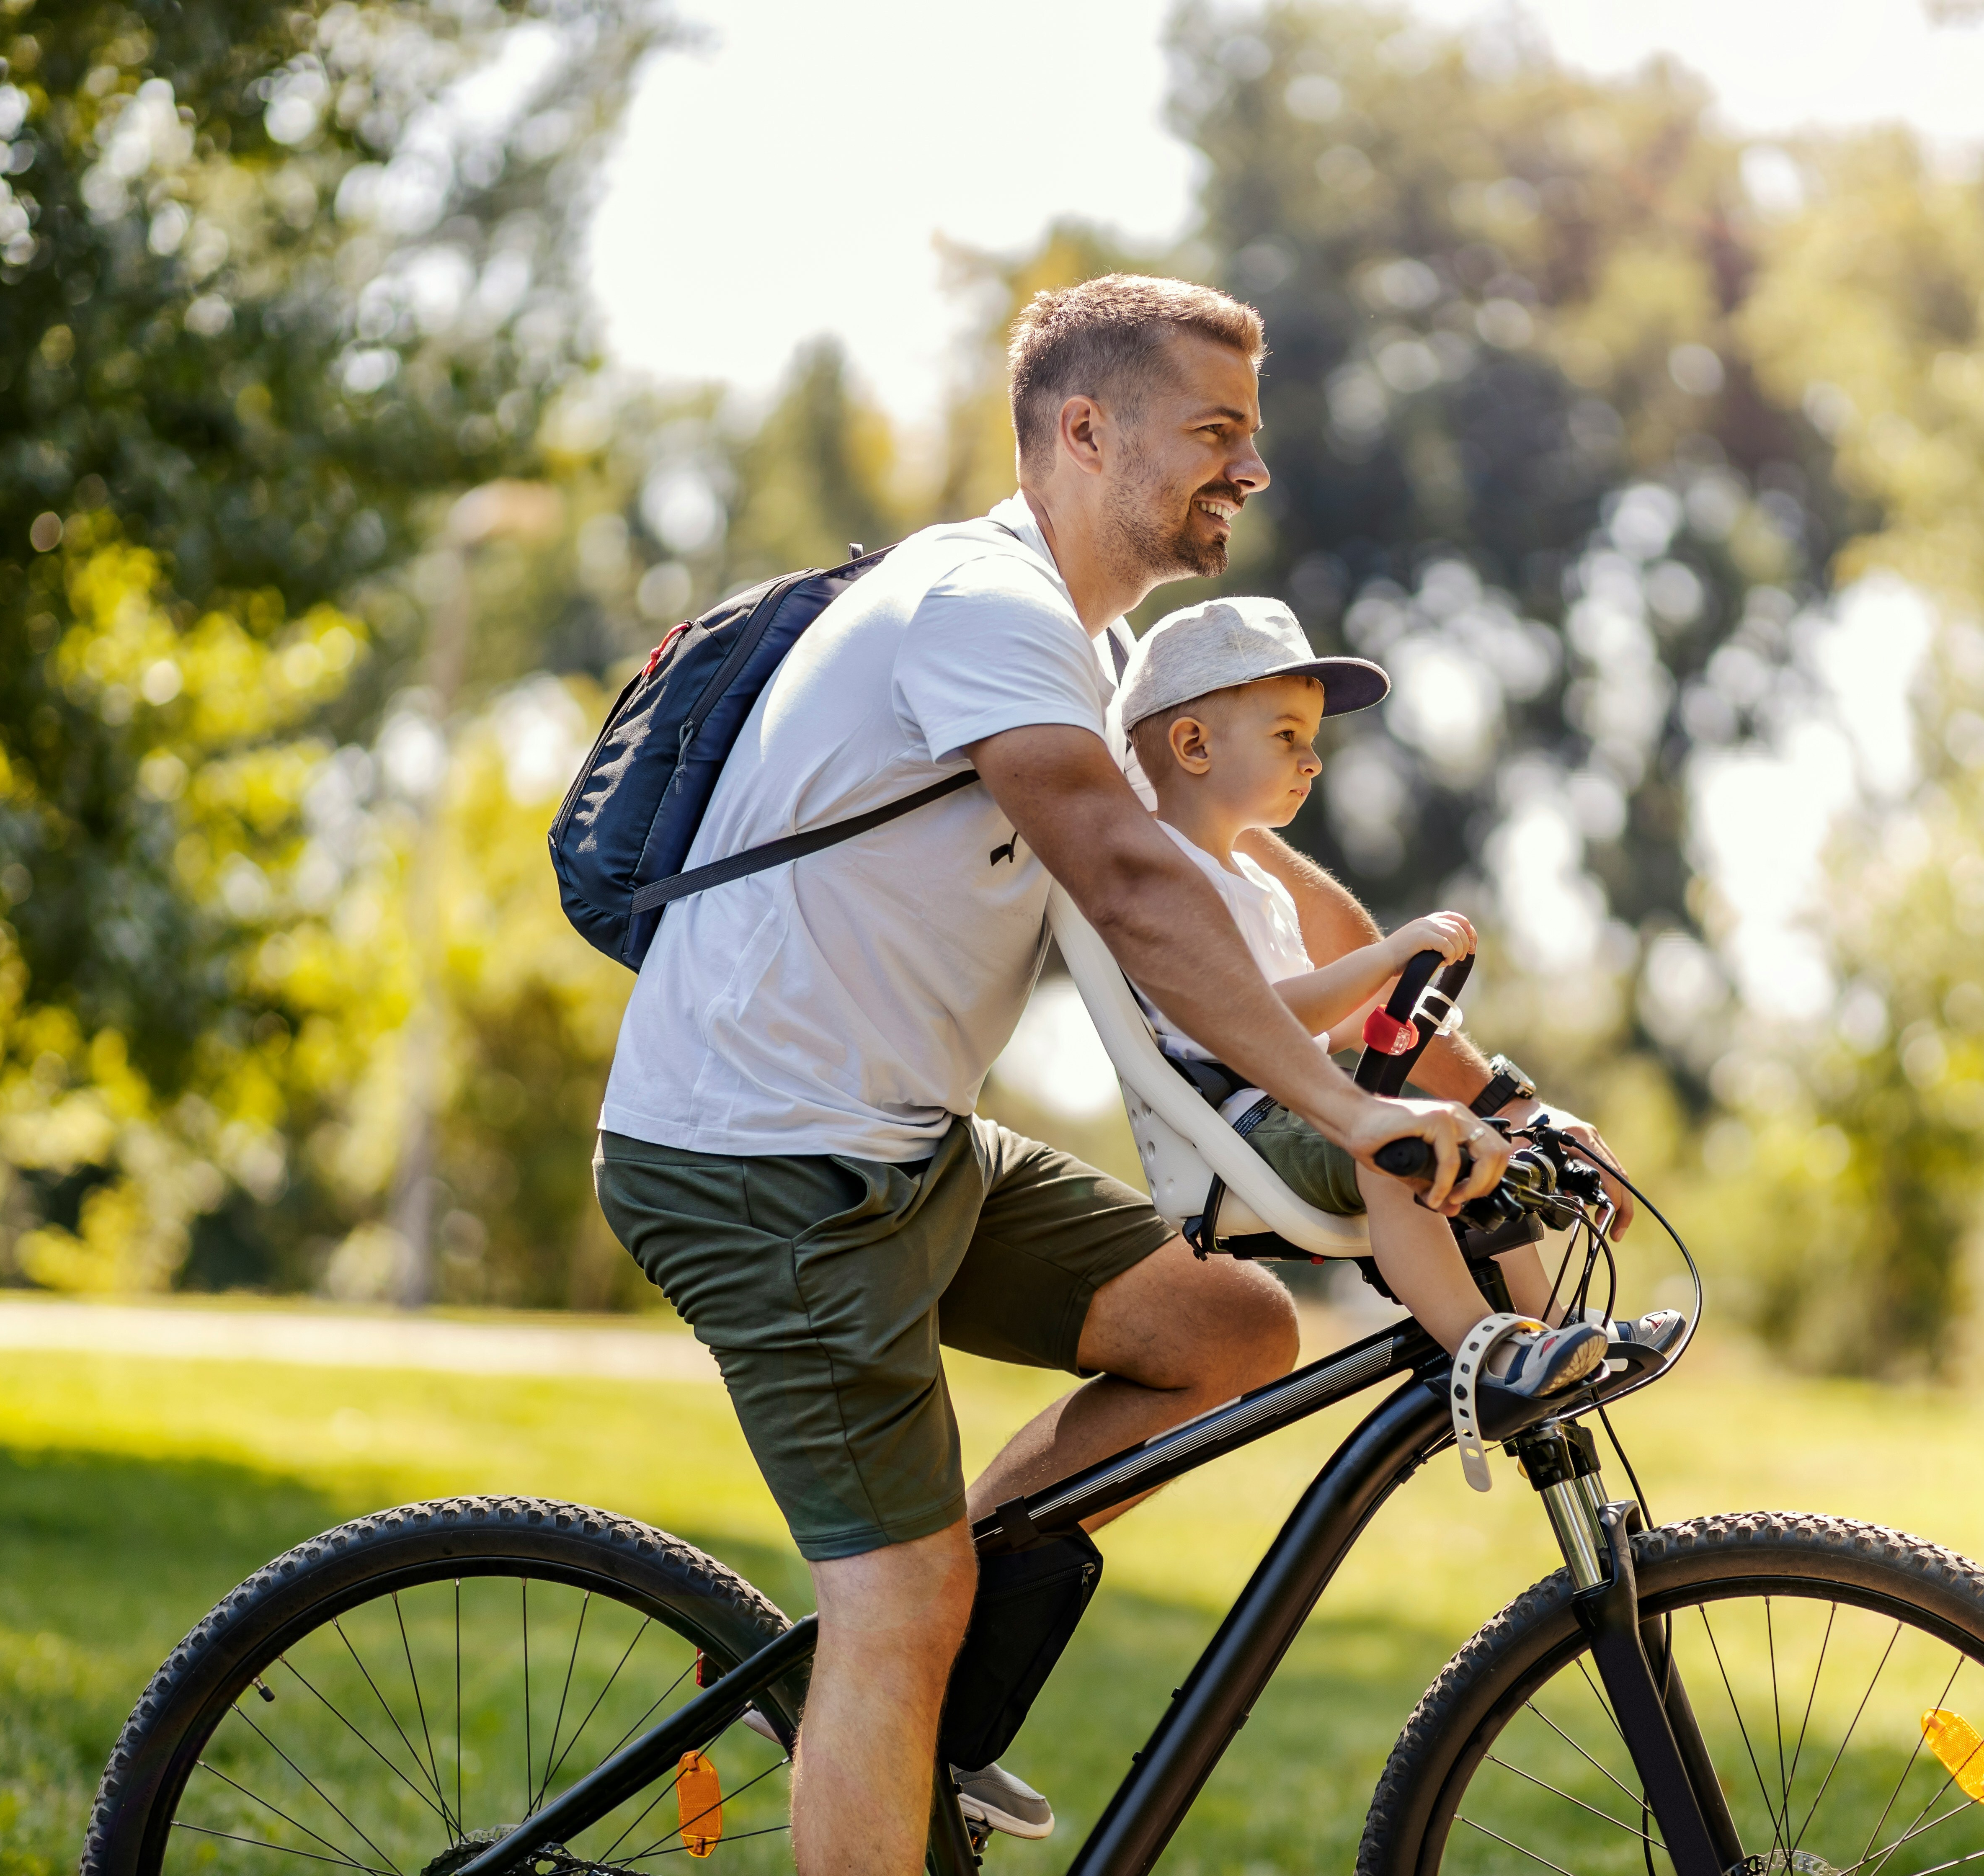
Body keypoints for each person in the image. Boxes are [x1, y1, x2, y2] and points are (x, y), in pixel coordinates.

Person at [590, 274, 1623, 1876]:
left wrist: (1497, 1101)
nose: (1252, 473)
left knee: (1223, 1324)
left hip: (898, 1146)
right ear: (1086, 429)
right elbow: (1132, 884)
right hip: (759, 1157)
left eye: (1251, 440)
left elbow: (1241, 870)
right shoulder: (985, 612)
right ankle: (898, 1683)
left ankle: (931, 1709)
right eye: (1217, 435)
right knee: (900, 1597)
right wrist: (1351, 1112)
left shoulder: (1094, 645)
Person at [1112, 594, 1609, 1392]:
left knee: (1480, 1139)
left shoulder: (1252, 883)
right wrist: (1388, 954)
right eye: (1287, 739)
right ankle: (1486, 1351)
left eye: (1311, 743)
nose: (1313, 762)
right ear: (1193, 745)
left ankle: (1558, 1335)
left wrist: (1364, 1028)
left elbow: (1294, 1027)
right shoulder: (1170, 882)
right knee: (1397, 1149)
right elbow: (1255, 1022)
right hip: (1244, 1132)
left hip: (1294, 1101)